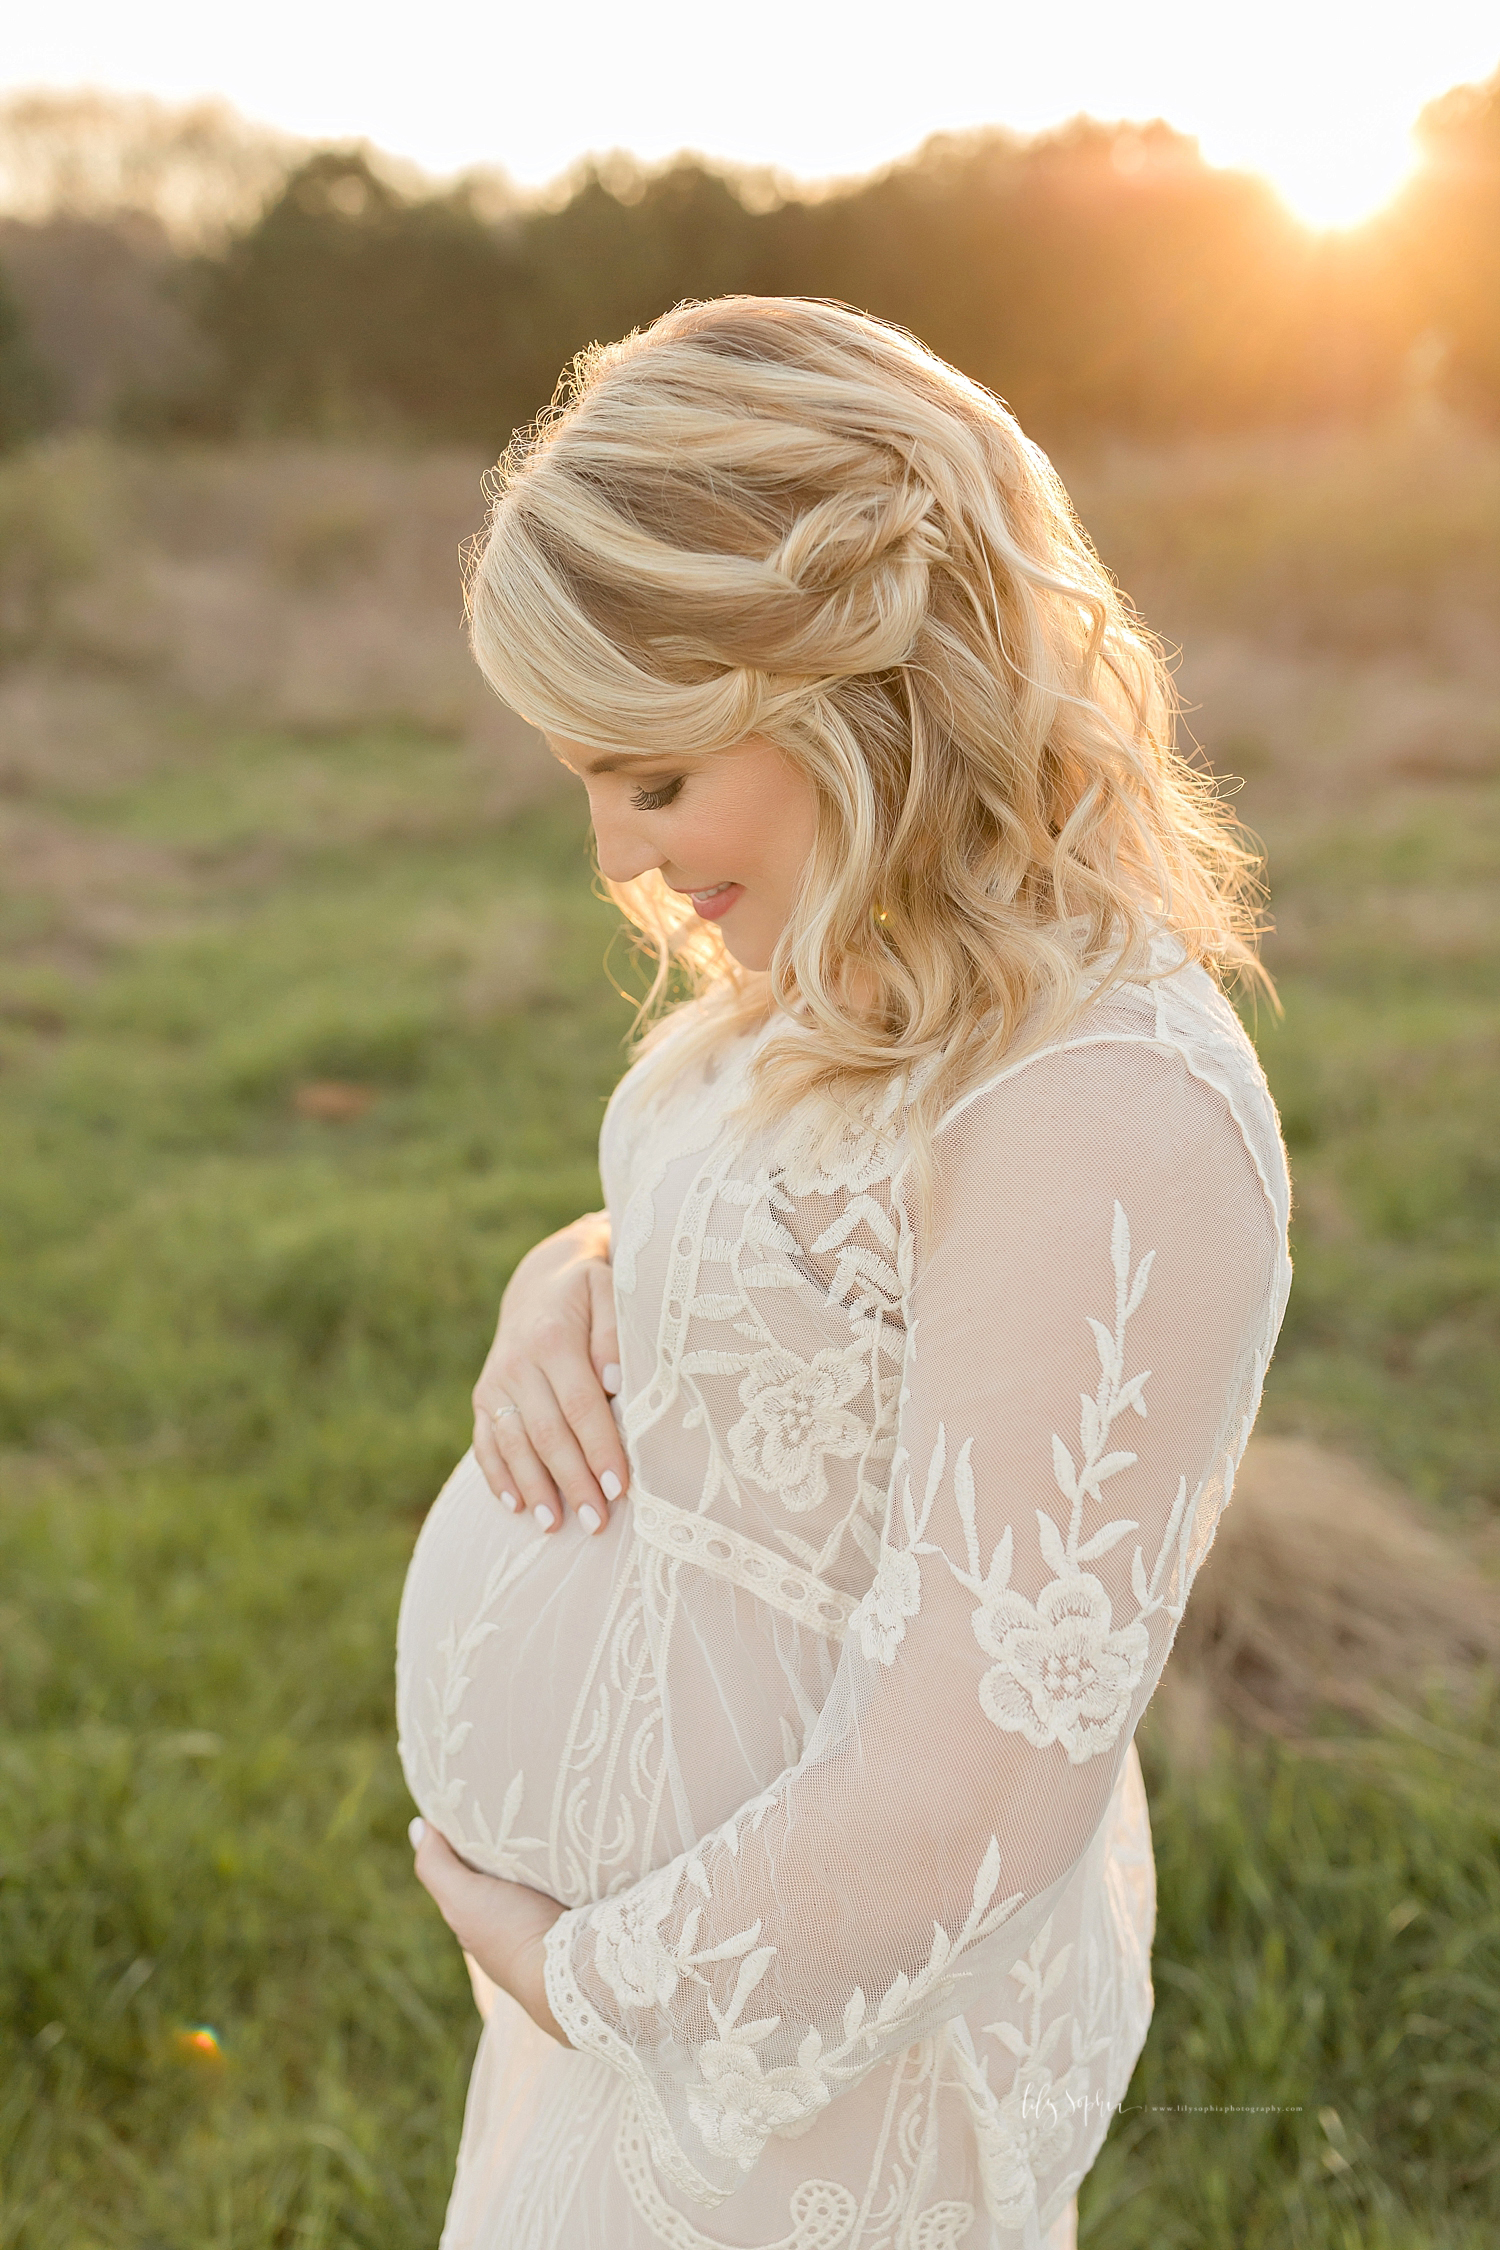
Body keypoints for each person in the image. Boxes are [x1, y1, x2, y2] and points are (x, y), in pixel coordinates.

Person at [395, 297, 1291, 2250]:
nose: (622, 864)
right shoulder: (845, 984)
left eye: (650, 775)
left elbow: (976, 1794)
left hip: (808, 2090)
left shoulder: (1110, 1107)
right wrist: (575, 1272)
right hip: (638, 2060)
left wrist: (588, 1975)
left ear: (851, 687)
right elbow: (812, 1264)